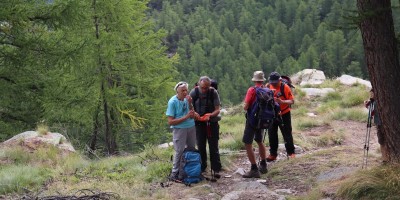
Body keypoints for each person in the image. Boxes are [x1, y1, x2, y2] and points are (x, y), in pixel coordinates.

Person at [166, 81, 199, 181]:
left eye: (186, 90)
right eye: (182, 91)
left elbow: (191, 112)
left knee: (191, 148)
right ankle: (174, 173)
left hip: (191, 127)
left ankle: (187, 171)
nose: (185, 93)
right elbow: (170, 122)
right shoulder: (172, 102)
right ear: (177, 92)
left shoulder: (187, 99)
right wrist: (186, 117)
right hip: (179, 129)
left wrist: (190, 104)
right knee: (179, 151)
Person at [190, 76, 222, 177]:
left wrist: (210, 115)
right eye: (203, 87)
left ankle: (216, 169)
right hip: (198, 123)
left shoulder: (213, 92)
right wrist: (194, 114)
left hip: (211, 122)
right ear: (199, 84)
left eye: (206, 87)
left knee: (213, 146)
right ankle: (202, 168)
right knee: (200, 146)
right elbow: (189, 107)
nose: (204, 90)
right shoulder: (193, 92)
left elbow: (217, 109)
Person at [242, 71, 268, 178]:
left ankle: (254, 169)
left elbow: (246, 106)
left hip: (252, 120)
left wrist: (244, 107)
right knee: (259, 141)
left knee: (247, 143)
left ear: (254, 80)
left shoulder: (252, 90)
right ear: (262, 80)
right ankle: (263, 165)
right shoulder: (266, 90)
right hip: (262, 120)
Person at [266, 72, 296, 162]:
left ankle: (291, 153)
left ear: (279, 80)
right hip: (272, 113)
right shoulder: (268, 86)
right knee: (272, 134)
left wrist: (282, 102)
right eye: (272, 82)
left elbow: (292, 101)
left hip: (284, 113)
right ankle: (273, 154)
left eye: (275, 82)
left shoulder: (285, 87)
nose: (273, 84)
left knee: (287, 133)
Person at [364, 88, 388, 163]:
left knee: (382, 141)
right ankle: (385, 158)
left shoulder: (376, 102)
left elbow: (372, 112)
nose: (371, 95)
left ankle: (385, 159)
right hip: (379, 124)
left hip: (381, 124)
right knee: (382, 141)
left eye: (372, 94)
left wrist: (367, 105)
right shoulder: (375, 102)